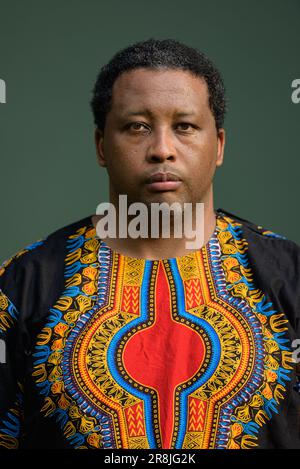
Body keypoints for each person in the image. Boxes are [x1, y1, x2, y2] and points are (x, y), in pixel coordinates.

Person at [0, 38, 299, 450]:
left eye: (185, 127)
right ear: (102, 146)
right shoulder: (21, 285)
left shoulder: (290, 276)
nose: (162, 150)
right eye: (137, 127)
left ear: (220, 147)